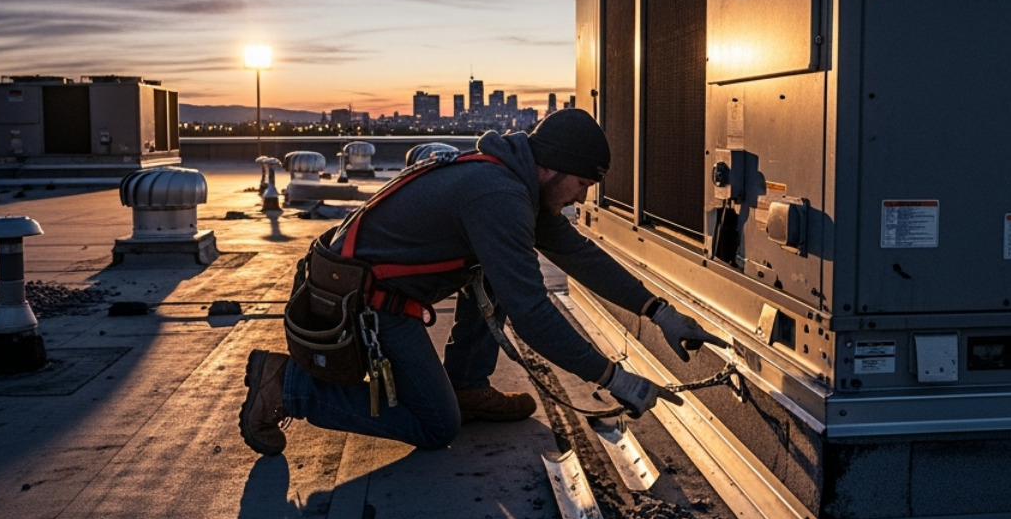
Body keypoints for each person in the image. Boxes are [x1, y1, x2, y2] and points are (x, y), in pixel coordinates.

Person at [238, 108, 725, 455]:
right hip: (364, 303)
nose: (581, 197)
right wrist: (612, 378)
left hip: (372, 286)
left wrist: (659, 313)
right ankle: (287, 387)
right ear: (553, 167)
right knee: (436, 427)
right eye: (582, 185)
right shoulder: (498, 197)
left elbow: (578, 254)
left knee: (496, 275)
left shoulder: (517, 182)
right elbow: (533, 313)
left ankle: (467, 384)